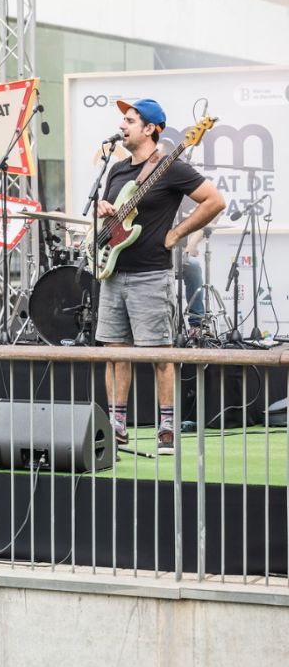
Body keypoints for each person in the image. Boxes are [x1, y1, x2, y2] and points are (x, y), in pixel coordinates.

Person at [95, 99, 225, 454]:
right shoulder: (118, 169)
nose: (123, 125)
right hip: (113, 272)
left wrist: (176, 233)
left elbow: (214, 201)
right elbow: (113, 218)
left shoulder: (170, 168)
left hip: (151, 274)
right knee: (115, 353)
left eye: (130, 120)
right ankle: (117, 427)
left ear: (151, 128)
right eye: (123, 119)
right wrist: (103, 208)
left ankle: (166, 427)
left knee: (160, 354)